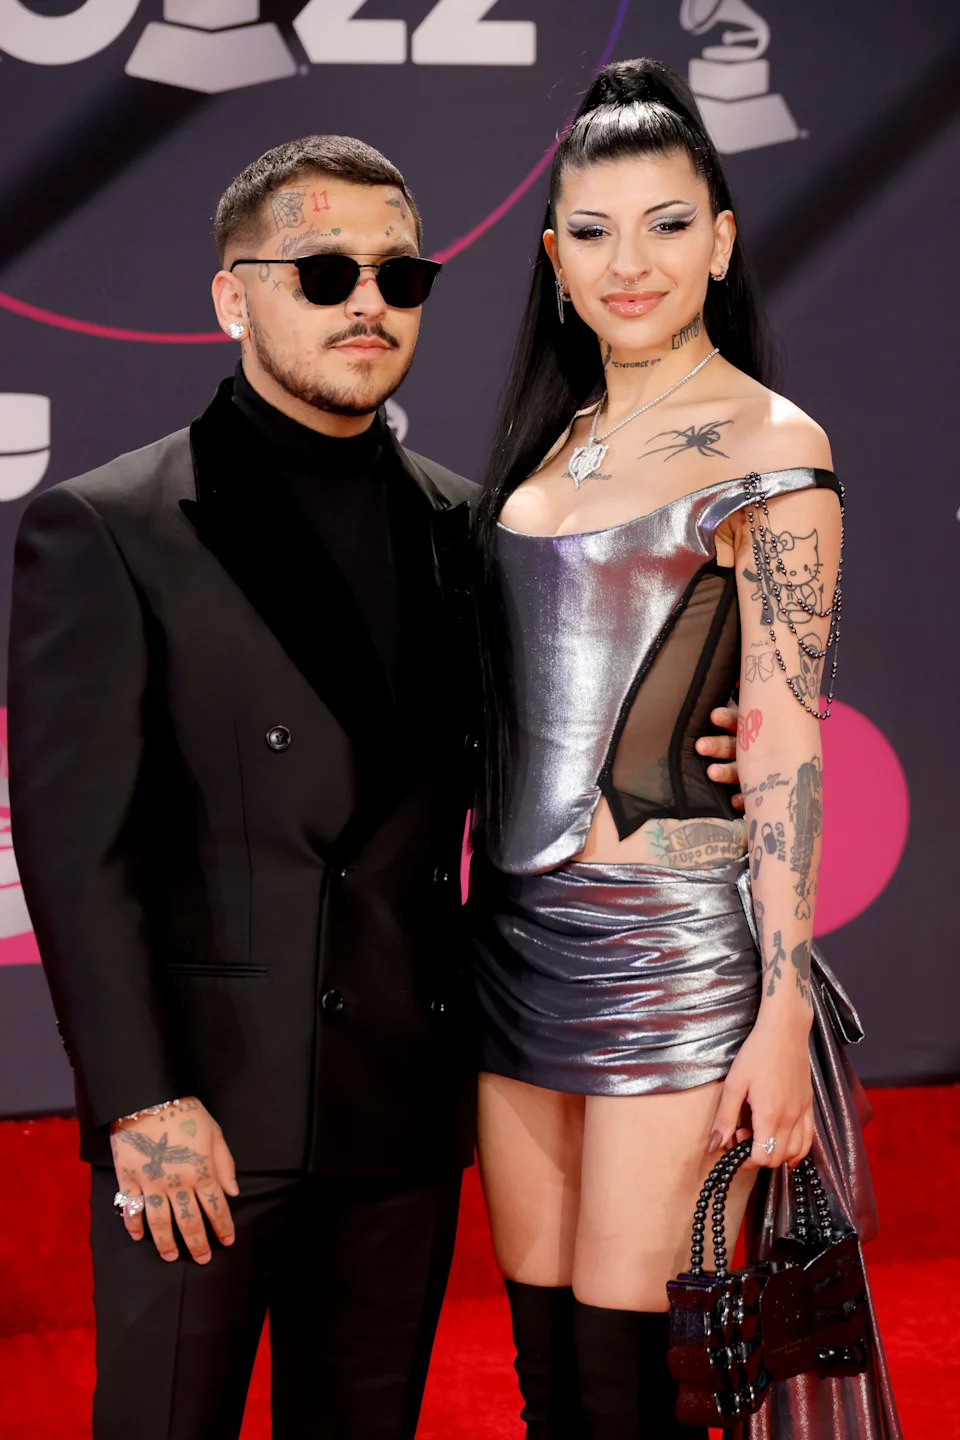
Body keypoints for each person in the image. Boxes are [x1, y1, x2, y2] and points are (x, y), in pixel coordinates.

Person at [7, 129, 744, 1439]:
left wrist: (711, 747)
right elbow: (78, 854)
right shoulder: (109, 528)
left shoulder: (476, 528)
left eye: (400, 278)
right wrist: (139, 1100)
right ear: (234, 295)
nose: (368, 302)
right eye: (328, 269)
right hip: (204, 1117)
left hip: (400, 1105)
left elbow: (554, 759)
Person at [470, 60, 901, 1439]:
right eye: (592, 233)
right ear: (552, 261)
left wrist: (779, 1009)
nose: (629, 262)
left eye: (666, 224)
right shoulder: (555, 451)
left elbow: (781, 739)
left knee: (630, 1389)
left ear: (721, 238)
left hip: (672, 953)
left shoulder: (771, 444)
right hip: (515, 949)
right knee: (548, 1373)